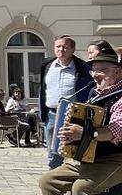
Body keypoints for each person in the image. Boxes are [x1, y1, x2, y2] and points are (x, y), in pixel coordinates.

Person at [35, 48, 122, 195]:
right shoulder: (95, 92)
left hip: (116, 158)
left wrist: (85, 134)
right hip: (91, 157)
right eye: (94, 69)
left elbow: (116, 131)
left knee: (81, 189)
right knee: (48, 181)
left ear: (118, 72)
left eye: (103, 70)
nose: (96, 74)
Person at [39, 36, 93, 166]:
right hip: (52, 114)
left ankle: (77, 179)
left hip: (74, 115)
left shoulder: (82, 67)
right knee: (53, 153)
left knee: (78, 151)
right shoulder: (47, 65)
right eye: (58, 46)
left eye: (65, 47)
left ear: (73, 49)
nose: (61, 49)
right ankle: (54, 180)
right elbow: (42, 89)